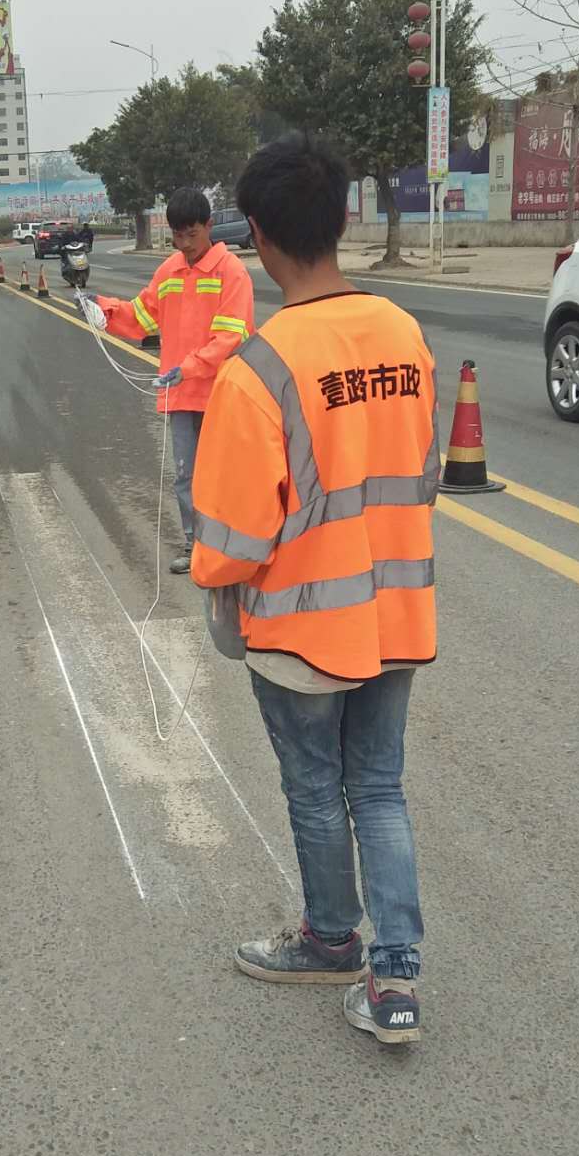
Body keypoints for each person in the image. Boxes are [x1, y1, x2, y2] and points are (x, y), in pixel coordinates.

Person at [190, 134, 439, 1045]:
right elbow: (420, 472)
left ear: (256, 234)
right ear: (342, 218)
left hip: (300, 632)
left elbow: (231, 541)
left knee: (313, 788)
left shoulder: (258, 369)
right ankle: (397, 978)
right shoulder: (404, 335)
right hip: (395, 608)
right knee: (380, 788)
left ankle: (332, 940)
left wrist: (211, 578)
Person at [88, 186, 255, 573]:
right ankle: (195, 545)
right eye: (178, 235)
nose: (185, 244)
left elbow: (232, 337)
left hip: (220, 394)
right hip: (182, 395)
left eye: (191, 234)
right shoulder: (170, 271)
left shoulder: (232, 274)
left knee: (225, 475)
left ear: (209, 227)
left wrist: (191, 366)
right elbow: (143, 317)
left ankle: (232, 546)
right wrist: (105, 311)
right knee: (187, 476)